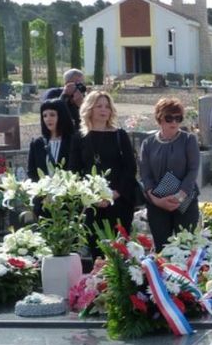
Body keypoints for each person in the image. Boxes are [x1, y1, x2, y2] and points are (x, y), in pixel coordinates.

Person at [69, 91, 137, 257]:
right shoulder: (79, 138)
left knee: (120, 253)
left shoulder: (120, 135)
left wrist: (114, 193)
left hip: (119, 202)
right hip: (92, 204)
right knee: (97, 254)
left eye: (107, 106)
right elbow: (74, 171)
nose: (103, 110)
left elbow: (130, 168)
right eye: (99, 106)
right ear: (89, 109)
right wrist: (91, 196)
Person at [139, 98, 200, 251]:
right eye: (169, 118)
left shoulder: (189, 139)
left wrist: (180, 196)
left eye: (178, 118)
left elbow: (193, 170)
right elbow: (145, 174)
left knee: (186, 248)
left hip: (185, 201)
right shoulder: (148, 143)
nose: (174, 122)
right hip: (157, 202)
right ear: (159, 118)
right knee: (162, 250)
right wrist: (156, 200)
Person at [28, 99, 75, 182]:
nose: (48, 119)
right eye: (45, 116)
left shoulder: (73, 141)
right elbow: (32, 173)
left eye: (52, 115)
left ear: (61, 116)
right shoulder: (37, 143)